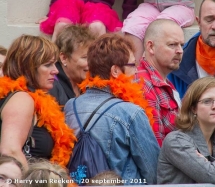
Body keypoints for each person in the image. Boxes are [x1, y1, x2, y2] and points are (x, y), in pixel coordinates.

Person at [64, 33, 159, 184]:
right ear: (115, 71)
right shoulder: (131, 113)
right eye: (132, 65)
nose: (136, 71)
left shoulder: (71, 106)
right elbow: (153, 172)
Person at [0, 35, 76, 170]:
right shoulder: (21, 99)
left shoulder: (28, 98)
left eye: (55, 63)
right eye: (48, 65)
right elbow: (11, 152)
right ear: (27, 67)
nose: (56, 71)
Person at [134, 19, 183, 147]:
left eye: (181, 45)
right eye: (172, 45)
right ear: (151, 47)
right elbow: (154, 147)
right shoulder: (144, 85)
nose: (180, 51)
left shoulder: (162, 80)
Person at [122, 0, 195, 62]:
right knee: (133, 26)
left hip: (181, 5)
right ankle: (135, 72)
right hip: (151, 5)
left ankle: (156, 73)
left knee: (162, 26)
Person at [39, 0, 138, 42]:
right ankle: (54, 67)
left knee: (97, 27)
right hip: (71, 0)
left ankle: (97, 73)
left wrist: (128, 18)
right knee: (63, 25)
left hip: (99, 5)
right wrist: (51, 14)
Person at [49, 25, 95, 106]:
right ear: (64, 58)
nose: (91, 63)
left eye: (93, 57)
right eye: (85, 57)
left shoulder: (89, 83)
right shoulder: (51, 85)